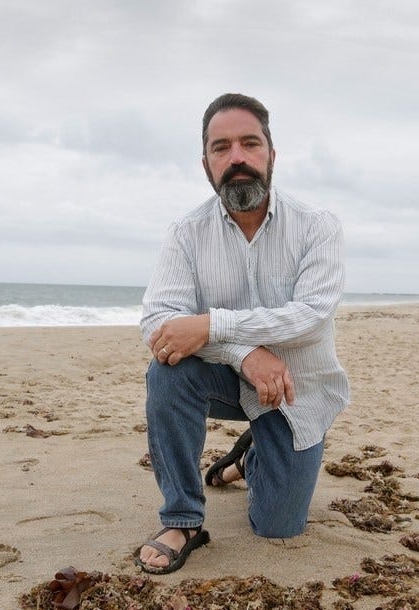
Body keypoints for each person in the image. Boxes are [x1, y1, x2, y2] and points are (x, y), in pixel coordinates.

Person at [134, 93, 350, 574]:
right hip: (227, 382)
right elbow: (159, 325)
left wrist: (213, 323)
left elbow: (311, 315)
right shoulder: (186, 233)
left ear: (271, 154)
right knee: (167, 372)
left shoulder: (317, 227)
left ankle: (249, 456)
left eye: (249, 144)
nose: (236, 158)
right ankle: (183, 518)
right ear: (205, 163)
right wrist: (245, 353)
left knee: (278, 526)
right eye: (221, 147)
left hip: (296, 391)